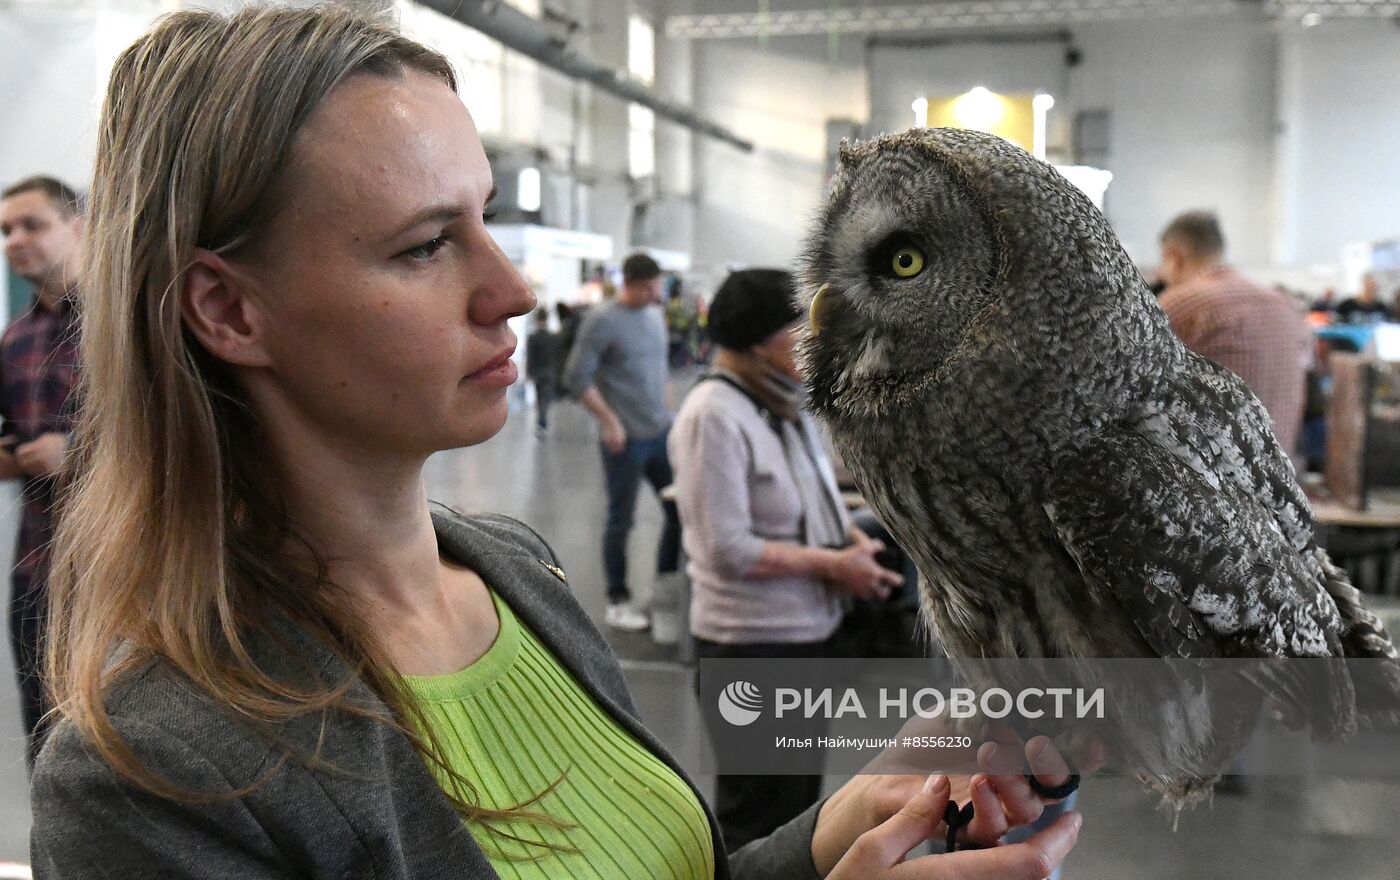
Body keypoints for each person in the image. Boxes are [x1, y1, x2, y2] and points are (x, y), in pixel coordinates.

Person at [30, 7, 1083, 880]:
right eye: (425, 245)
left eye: (484, 219)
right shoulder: (155, 778)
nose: (514, 289)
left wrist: (839, 826)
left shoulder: (517, 574)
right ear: (229, 310)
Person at [670, 268, 905, 850]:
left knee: (797, 809)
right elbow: (726, 549)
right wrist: (834, 567)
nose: (812, 337)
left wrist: (850, 541)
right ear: (758, 340)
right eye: (798, 325)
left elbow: (814, 495)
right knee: (756, 817)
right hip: (753, 647)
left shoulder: (781, 404)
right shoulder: (713, 415)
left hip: (806, 637)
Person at [0, 175, 83, 764]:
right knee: (49, 743)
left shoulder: (130, 322)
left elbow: (179, 433)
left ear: (78, 226)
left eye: (32, 225)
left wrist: (73, 452)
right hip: (38, 575)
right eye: (5, 230)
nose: (14, 240)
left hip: (122, 571)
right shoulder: (14, 341)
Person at [563, 253, 682, 632]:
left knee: (680, 510)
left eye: (657, 287)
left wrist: (670, 415)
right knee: (621, 520)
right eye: (648, 288)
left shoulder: (655, 317)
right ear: (628, 284)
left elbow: (660, 370)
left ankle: (665, 588)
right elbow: (576, 378)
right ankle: (618, 600)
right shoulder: (602, 321)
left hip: (660, 433)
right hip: (625, 440)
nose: (655, 294)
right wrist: (609, 421)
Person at [1157, 210, 1310, 463]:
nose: (1161, 273)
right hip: (1280, 471)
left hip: (1209, 474)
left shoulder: (1182, 303)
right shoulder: (1282, 304)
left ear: (1175, 256)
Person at [524, 307, 557, 434]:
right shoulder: (551, 337)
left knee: (539, 397)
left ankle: (541, 420)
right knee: (545, 397)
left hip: (538, 372)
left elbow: (530, 357)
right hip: (549, 371)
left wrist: (529, 373)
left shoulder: (533, 337)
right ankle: (543, 420)